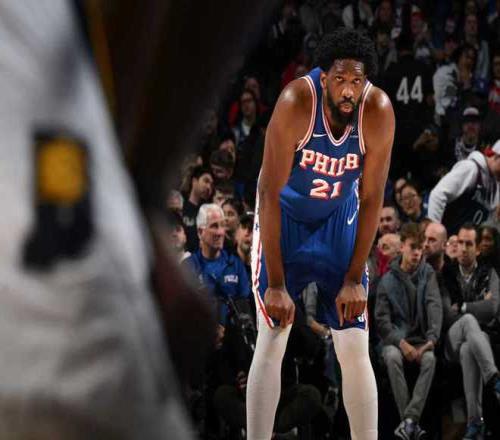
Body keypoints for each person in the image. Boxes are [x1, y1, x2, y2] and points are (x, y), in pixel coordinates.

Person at [247, 28, 395, 440]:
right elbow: (268, 193)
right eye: (340, 80)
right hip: (286, 217)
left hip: (338, 219)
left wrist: (354, 277)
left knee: (354, 343)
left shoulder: (378, 111)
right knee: (272, 335)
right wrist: (277, 285)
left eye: (356, 82)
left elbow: (372, 197)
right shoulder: (296, 102)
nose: (348, 91)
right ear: (324, 77)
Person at [375, 223, 442, 439]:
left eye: (420, 248)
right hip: (396, 341)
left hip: (421, 339)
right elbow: (382, 322)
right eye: (413, 247)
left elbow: (434, 306)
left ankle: (409, 420)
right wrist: (401, 343)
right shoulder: (387, 280)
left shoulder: (427, 273)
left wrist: (431, 340)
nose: (417, 253)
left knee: (430, 360)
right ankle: (410, 421)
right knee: (392, 356)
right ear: (402, 246)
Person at [439, 223, 500, 438]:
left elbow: (493, 309)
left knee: (469, 347)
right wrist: (476, 307)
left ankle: (475, 423)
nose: (463, 249)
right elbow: (448, 314)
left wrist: (463, 306)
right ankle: (494, 378)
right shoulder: (446, 273)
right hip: (451, 339)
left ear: (478, 249)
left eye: (469, 244)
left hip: (476, 342)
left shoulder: (489, 273)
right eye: (460, 243)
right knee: (468, 322)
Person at [428, 139, 500, 235]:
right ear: (497, 156)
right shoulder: (471, 168)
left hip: (464, 241)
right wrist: (435, 233)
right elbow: (438, 195)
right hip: (447, 235)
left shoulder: (495, 187)